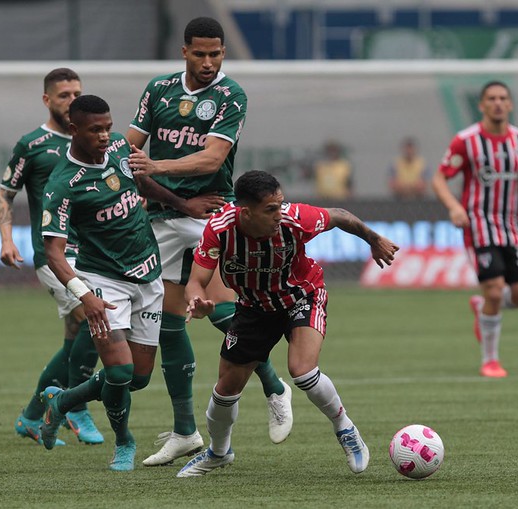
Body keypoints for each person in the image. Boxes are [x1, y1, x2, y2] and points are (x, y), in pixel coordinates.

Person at [126, 16, 293, 467]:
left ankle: (275, 386)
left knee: (222, 308)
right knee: (168, 319)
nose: (207, 62)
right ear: (184, 51)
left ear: (223, 53)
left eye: (215, 54)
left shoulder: (229, 95)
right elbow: (130, 147)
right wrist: (122, 164)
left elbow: (213, 157)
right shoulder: (158, 90)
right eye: (199, 53)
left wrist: (155, 166)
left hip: (213, 212)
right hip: (161, 215)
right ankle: (185, 430)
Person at [175, 170, 398, 477]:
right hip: (254, 307)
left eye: (280, 204)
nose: (279, 214)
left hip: (301, 295)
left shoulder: (295, 219)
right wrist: (197, 301)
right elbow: (195, 282)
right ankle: (219, 452)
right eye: (270, 209)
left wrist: (373, 239)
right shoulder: (220, 229)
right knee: (225, 389)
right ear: (246, 212)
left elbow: (340, 215)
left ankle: (345, 428)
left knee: (302, 370)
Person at [38, 95, 163, 471]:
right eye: (96, 129)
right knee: (120, 373)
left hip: (149, 274)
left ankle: (61, 402)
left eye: (108, 126)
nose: (106, 135)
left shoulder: (123, 147)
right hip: (103, 281)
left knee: (137, 379)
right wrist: (83, 295)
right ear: (73, 130)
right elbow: (54, 254)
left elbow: (143, 185)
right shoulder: (62, 184)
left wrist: (185, 206)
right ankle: (124, 442)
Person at [0, 68, 103, 446]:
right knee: (96, 321)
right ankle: (75, 405)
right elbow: (6, 194)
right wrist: (7, 239)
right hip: (52, 254)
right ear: (47, 100)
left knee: (75, 339)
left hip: (91, 253)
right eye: (64, 95)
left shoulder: (92, 140)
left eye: (77, 93)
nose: (72, 100)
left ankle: (29, 417)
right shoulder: (33, 144)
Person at [431, 81, 518, 378]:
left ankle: (483, 307)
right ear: (482, 105)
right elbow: (440, 179)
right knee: (495, 290)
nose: (497, 103)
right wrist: (455, 207)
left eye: (503, 98)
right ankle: (490, 361)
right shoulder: (466, 141)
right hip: (478, 227)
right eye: (491, 98)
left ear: (510, 105)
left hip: (512, 227)